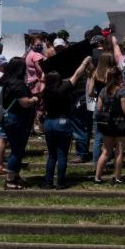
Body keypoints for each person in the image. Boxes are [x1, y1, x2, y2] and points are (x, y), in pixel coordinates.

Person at [41, 57, 92, 189]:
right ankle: (60, 182)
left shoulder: (45, 91)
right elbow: (77, 74)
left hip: (49, 122)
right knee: (62, 153)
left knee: (52, 155)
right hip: (62, 121)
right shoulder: (63, 88)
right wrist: (85, 62)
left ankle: (48, 181)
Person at [0, 57, 40, 190]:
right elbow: (25, 103)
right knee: (16, 150)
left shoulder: (5, 82)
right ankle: (10, 180)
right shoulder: (18, 84)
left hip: (8, 118)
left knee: (18, 149)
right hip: (16, 119)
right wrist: (33, 98)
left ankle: (15, 175)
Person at [94, 66, 125, 184]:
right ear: (118, 77)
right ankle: (117, 177)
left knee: (105, 151)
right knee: (119, 152)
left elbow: (98, 108)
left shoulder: (103, 90)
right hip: (121, 124)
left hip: (107, 124)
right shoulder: (122, 91)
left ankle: (97, 177)